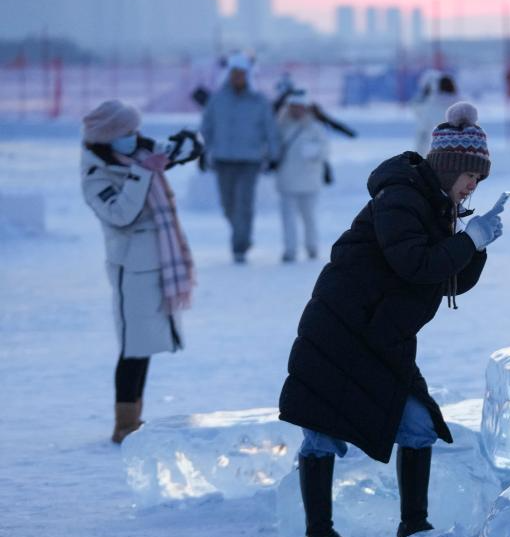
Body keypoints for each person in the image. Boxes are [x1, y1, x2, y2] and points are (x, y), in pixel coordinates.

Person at [278, 101, 505, 537]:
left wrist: (473, 242)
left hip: (382, 337)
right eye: (471, 176)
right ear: (450, 167)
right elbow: (416, 265)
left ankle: (413, 527)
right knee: (322, 430)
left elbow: (450, 280)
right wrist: (468, 240)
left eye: (480, 180)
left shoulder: (435, 206)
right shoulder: (401, 197)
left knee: (418, 424)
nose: (473, 185)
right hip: (342, 329)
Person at [80, 100, 199, 443]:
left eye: (136, 130)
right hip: (131, 268)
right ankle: (124, 425)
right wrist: (143, 172)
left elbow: (184, 148)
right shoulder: (96, 174)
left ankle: (134, 418)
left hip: (158, 262)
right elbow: (120, 215)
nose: (136, 137)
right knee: (133, 346)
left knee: (144, 345)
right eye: (127, 133)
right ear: (108, 136)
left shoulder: (137, 153)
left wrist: (185, 143)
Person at [200, 52, 280, 263]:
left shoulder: (259, 101)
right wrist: (203, 151)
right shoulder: (217, 99)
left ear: (248, 76)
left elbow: (270, 130)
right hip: (223, 159)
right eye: (234, 73)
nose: (238, 77)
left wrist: (273, 155)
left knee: (244, 204)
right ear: (229, 75)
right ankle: (242, 235)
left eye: (242, 74)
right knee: (228, 206)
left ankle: (239, 246)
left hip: (250, 159)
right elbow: (206, 126)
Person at [274, 90, 330, 263]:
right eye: (293, 107)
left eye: (300, 107)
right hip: (287, 180)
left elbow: (325, 150)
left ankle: (312, 247)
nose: (296, 110)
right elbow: (272, 149)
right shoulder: (280, 127)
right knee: (288, 218)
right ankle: (290, 249)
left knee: (309, 217)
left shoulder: (316, 127)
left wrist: (314, 152)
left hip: (309, 180)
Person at [411, 70, 458, 156]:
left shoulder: (431, 106)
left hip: (437, 154)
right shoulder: (462, 104)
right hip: (461, 153)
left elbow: (423, 136)